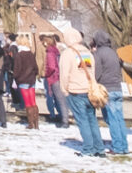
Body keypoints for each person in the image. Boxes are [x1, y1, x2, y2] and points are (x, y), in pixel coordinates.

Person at [60, 28, 103, 156]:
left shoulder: (67, 53)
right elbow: (92, 71)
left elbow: (64, 74)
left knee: (82, 121)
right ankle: (99, 148)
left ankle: (88, 148)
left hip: (75, 91)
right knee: (92, 120)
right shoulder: (87, 52)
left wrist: (64, 89)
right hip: (89, 90)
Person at [91, 30, 127, 154]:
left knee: (111, 119)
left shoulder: (98, 54)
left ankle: (117, 147)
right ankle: (124, 146)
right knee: (119, 118)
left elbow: (97, 73)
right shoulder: (114, 52)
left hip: (107, 89)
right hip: (117, 88)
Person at [42, 34, 70, 127]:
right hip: (58, 77)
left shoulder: (50, 52)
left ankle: (65, 121)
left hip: (54, 78)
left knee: (60, 100)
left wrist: (46, 74)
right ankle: (64, 118)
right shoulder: (56, 51)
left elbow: (51, 67)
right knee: (61, 100)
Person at [13, 34, 40, 129]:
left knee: (28, 102)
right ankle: (36, 123)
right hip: (31, 80)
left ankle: (30, 123)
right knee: (33, 101)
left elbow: (17, 69)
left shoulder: (19, 55)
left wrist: (15, 77)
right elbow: (35, 68)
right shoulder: (31, 54)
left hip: (23, 80)